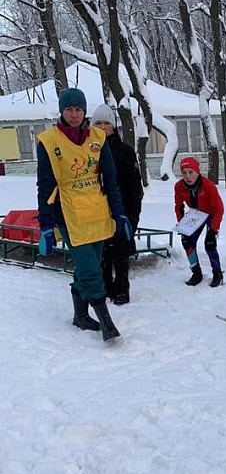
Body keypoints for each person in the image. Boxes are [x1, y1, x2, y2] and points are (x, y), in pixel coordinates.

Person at [36, 88, 133, 342]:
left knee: (87, 267)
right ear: (62, 111)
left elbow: (110, 180)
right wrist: (46, 225)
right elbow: (45, 186)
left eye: (78, 109)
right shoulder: (49, 141)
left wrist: (120, 214)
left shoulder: (98, 138)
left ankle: (80, 316)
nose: (74, 114)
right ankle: (106, 322)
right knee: (91, 270)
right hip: (68, 213)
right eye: (69, 109)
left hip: (97, 212)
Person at [90, 104, 144, 305]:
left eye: (106, 123)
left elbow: (134, 188)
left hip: (121, 210)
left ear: (113, 126)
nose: (103, 127)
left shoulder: (125, 151)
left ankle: (122, 289)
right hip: (96, 211)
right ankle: (105, 287)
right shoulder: (87, 151)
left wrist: (132, 217)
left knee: (120, 254)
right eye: (98, 123)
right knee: (102, 253)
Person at [174, 156, 224, 287]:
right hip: (195, 214)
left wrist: (213, 230)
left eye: (191, 172)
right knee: (187, 242)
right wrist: (182, 226)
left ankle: (217, 273)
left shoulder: (208, 185)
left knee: (210, 243)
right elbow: (179, 207)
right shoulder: (179, 186)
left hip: (211, 214)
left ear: (197, 172)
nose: (187, 176)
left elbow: (219, 208)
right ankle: (196, 272)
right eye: (184, 173)